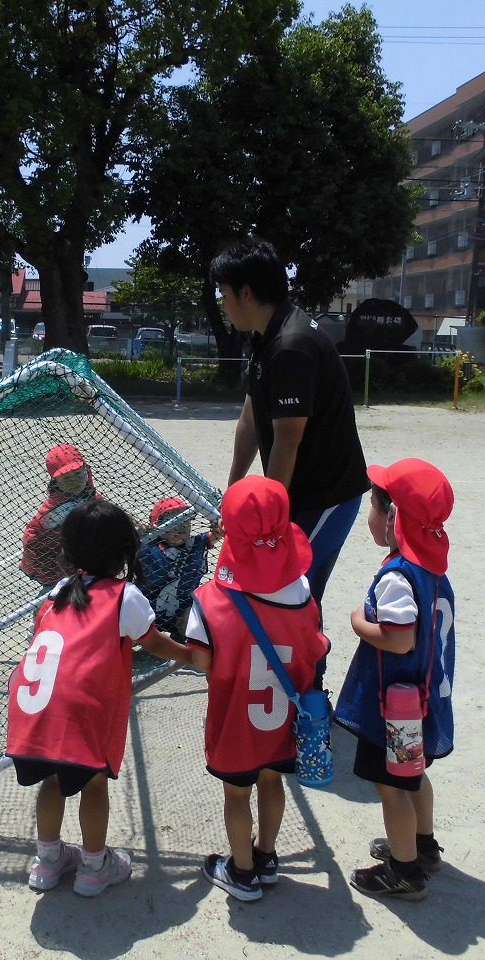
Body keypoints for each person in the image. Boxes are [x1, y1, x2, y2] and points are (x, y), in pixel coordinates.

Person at [6, 498, 192, 896]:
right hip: (79, 711)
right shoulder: (123, 595)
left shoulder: (57, 590)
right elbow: (155, 643)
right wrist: (192, 655)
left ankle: (48, 861)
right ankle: (93, 867)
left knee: (52, 781)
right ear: (126, 550)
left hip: (31, 708)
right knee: (92, 784)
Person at [211, 236, 368, 685]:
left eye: (224, 294)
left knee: (293, 592)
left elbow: (287, 441)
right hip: (299, 493)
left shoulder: (292, 343)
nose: (222, 304)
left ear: (246, 292)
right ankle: (294, 690)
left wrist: (269, 521)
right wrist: (234, 491)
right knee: (291, 591)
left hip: (325, 496)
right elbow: (249, 421)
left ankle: (308, 701)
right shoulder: (267, 337)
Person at [184, 476, 329, 902]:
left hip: (235, 720)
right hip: (283, 719)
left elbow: (202, 661)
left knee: (236, 793)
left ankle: (241, 872)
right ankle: (266, 857)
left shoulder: (211, 598)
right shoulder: (302, 589)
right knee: (272, 781)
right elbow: (315, 647)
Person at [334, 458, 456, 901]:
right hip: (422, 700)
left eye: (373, 506)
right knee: (414, 776)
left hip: (397, 708)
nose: (369, 516)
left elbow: (399, 639)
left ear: (392, 518)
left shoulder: (398, 576)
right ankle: (421, 846)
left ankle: (403, 872)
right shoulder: (432, 567)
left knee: (392, 787)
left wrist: (356, 622)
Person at [20, 444, 101, 588]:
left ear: (85, 470)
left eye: (78, 474)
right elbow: (32, 538)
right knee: (58, 593)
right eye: (66, 478)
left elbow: (103, 508)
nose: (74, 481)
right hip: (47, 559)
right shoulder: (58, 509)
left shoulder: (87, 493)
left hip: (71, 556)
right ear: (56, 482)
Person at [138, 496, 220, 636]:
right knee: (129, 631)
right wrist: (139, 532)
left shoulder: (194, 544)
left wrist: (218, 522)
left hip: (180, 611)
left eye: (185, 522)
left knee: (197, 624)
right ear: (158, 527)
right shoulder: (147, 547)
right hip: (146, 610)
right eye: (173, 523)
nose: (181, 528)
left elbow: (216, 534)